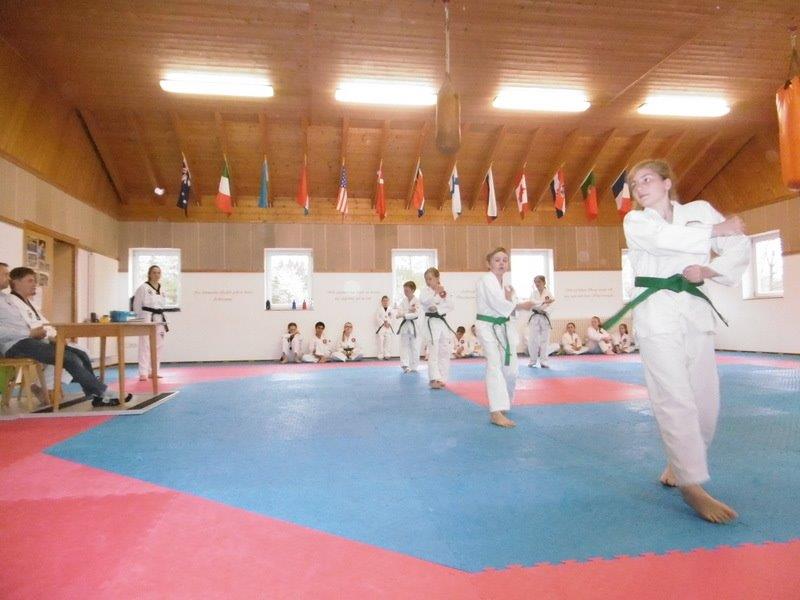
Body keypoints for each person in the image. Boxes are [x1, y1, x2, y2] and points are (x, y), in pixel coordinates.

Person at [622, 158, 750, 523]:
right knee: (673, 397)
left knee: (706, 399)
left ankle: (679, 465)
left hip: (695, 311)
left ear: (666, 182)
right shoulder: (637, 221)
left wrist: (709, 268)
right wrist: (716, 231)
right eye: (634, 184)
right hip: (656, 314)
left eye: (647, 179)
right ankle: (691, 485)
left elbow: (739, 246)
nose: (640, 187)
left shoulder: (699, 211)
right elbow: (664, 241)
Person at [0, 264, 123, 407]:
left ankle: (96, 394)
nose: (8, 278)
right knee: (67, 358)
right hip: (16, 344)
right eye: (4, 274)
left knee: (81, 354)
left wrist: (55, 336)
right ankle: (101, 392)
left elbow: (36, 322)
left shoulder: (6, 299)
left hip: (31, 340)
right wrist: (29, 333)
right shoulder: (9, 300)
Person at [474, 247, 534, 428]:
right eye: (497, 260)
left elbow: (509, 310)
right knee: (494, 365)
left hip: (504, 328)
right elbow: (499, 304)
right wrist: (519, 304)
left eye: (505, 260)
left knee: (511, 369)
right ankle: (496, 411)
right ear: (489, 263)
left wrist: (512, 301)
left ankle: (504, 402)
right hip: (487, 327)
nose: (501, 263)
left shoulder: (507, 286)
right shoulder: (486, 280)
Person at [132, 265, 171, 381]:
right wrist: (140, 319)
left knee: (159, 345)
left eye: (158, 272)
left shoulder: (162, 289)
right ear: (149, 274)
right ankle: (143, 372)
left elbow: (163, 305)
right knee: (145, 345)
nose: (156, 275)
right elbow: (136, 306)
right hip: (146, 317)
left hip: (159, 318)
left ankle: (154, 371)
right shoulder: (143, 288)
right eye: (154, 272)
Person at [420, 267, 455, 389]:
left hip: (442, 321)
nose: (428, 281)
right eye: (426, 279)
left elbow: (450, 305)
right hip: (431, 322)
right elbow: (424, 302)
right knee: (433, 351)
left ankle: (442, 378)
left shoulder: (444, 290)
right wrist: (435, 294)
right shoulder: (425, 291)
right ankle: (434, 379)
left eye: (430, 279)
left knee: (445, 350)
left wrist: (438, 308)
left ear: (437, 278)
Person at [526, 275, 555, 368]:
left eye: (539, 282)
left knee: (545, 340)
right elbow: (531, 304)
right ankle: (532, 360)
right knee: (532, 340)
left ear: (544, 282)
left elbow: (552, 306)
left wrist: (544, 309)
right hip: (535, 317)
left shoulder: (549, 294)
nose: (537, 284)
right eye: (535, 282)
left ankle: (544, 361)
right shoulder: (533, 293)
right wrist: (543, 304)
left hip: (544, 317)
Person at [396, 281, 421, 373]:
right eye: (404, 290)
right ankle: (405, 365)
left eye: (407, 290)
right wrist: (408, 311)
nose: (405, 292)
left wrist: (404, 314)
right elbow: (398, 312)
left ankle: (414, 366)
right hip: (405, 326)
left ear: (413, 290)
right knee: (404, 346)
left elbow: (416, 314)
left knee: (415, 347)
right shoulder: (403, 301)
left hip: (414, 326)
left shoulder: (417, 301)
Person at [375, 295, 395, 360]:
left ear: (388, 301)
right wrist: (383, 323)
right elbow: (377, 317)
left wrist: (389, 323)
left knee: (388, 341)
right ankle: (380, 354)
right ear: (381, 301)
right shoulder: (379, 309)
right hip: (382, 327)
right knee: (380, 341)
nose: (385, 302)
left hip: (388, 327)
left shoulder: (391, 309)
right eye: (384, 301)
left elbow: (392, 318)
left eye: (386, 301)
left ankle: (387, 354)